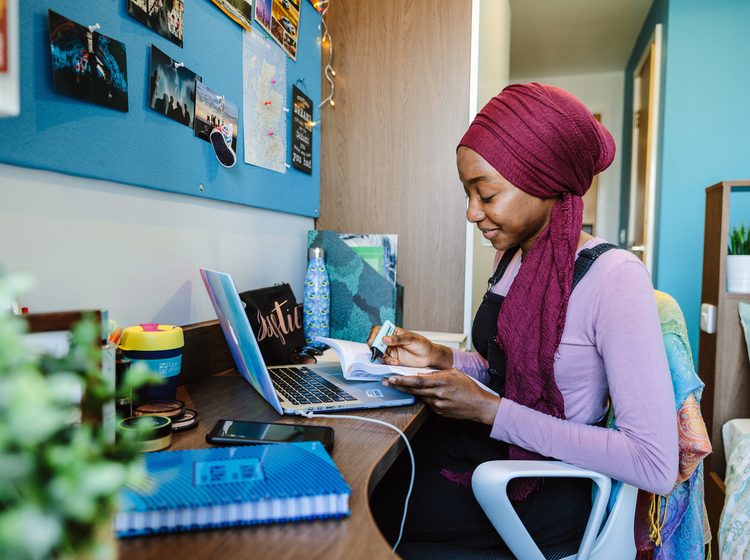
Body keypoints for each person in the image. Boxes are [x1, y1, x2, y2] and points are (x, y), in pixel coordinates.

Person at [369, 83, 679, 551]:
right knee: (374, 478)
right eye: (468, 193)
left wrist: (490, 411)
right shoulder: (511, 260)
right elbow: (504, 369)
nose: (472, 213)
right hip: (493, 447)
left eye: (486, 194)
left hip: (548, 483)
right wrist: (439, 357)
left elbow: (654, 463)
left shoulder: (615, 277)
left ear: (546, 184)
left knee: (375, 509)